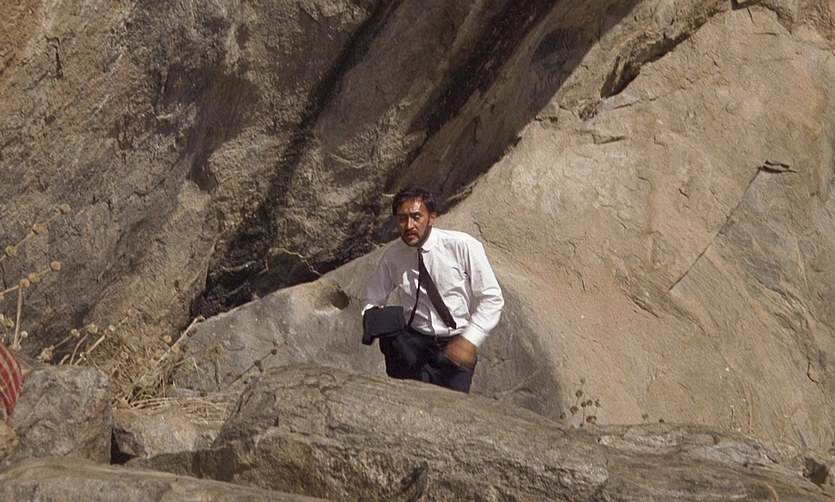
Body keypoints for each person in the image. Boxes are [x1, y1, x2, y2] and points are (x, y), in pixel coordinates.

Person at [363, 185, 504, 393]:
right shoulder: (393, 257)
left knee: (453, 407)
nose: (409, 225)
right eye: (402, 218)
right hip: (411, 344)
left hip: (454, 346)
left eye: (416, 217)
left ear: (432, 218)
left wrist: (470, 339)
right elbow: (373, 298)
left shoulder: (462, 246)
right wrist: (376, 319)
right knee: (409, 403)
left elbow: (492, 298)